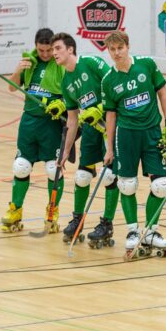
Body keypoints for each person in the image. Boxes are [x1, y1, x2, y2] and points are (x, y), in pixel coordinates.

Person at [101, 30, 166, 252]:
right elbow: (110, 115)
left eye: (120, 48)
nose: (117, 53)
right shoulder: (108, 80)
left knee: (161, 185)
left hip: (152, 132)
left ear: (127, 46)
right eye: (112, 49)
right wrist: (109, 148)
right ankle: (133, 232)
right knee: (127, 185)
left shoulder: (147, 65)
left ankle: (151, 232)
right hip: (126, 135)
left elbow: (162, 93)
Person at [53, 32, 119, 246]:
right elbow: (72, 120)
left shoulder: (90, 62)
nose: (54, 53)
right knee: (82, 176)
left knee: (109, 176)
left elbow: (115, 83)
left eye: (58, 48)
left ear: (70, 49)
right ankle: (77, 220)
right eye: (53, 50)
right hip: (92, 128)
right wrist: (65, 151)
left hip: (112, 124)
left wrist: (100, 108)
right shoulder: (66, 82)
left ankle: (106, 224)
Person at [1, 28, 67, 233]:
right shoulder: (30, 63)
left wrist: (61, 104)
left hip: (51, 124)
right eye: (41, 50)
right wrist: (18, 70)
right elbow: (12, 87)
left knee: (53, 169)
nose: (45, 54)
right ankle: (15, 210)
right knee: (21, 167)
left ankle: (52, 211)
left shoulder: (62, 65)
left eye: (48, 50)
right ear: (36, 47)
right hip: (29, 123)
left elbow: (72, 95)